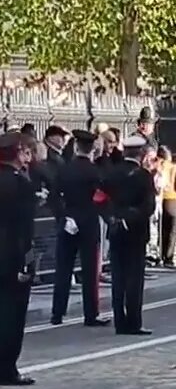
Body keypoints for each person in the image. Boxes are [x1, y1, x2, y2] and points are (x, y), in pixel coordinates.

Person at [48, 128, 109, 326]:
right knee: (90, 270)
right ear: (91, 149)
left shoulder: (64, 169)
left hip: (68, 222)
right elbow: (100, 197)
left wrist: (63, 217)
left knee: (63, 268)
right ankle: (90, 314)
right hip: (88, 222)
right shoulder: (94, 171)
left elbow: (54, 197)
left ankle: (57, 313)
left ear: (75, 147)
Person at [103, 135, 158, 335]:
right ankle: (133, 322)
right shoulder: (144, 176)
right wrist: (131, 216)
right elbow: (149, 206)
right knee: (134, 279)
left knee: (118, 278)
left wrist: (112, 216)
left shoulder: (111, 173)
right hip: (136, 231)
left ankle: (120, 321)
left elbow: (99, 198)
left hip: (116, 229)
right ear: (141, 154)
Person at [0, 132, 38, 386]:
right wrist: (27, 261)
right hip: (12, 256)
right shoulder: (20, 183)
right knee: (12, 314)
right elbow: (25, 230)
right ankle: (7, 368)